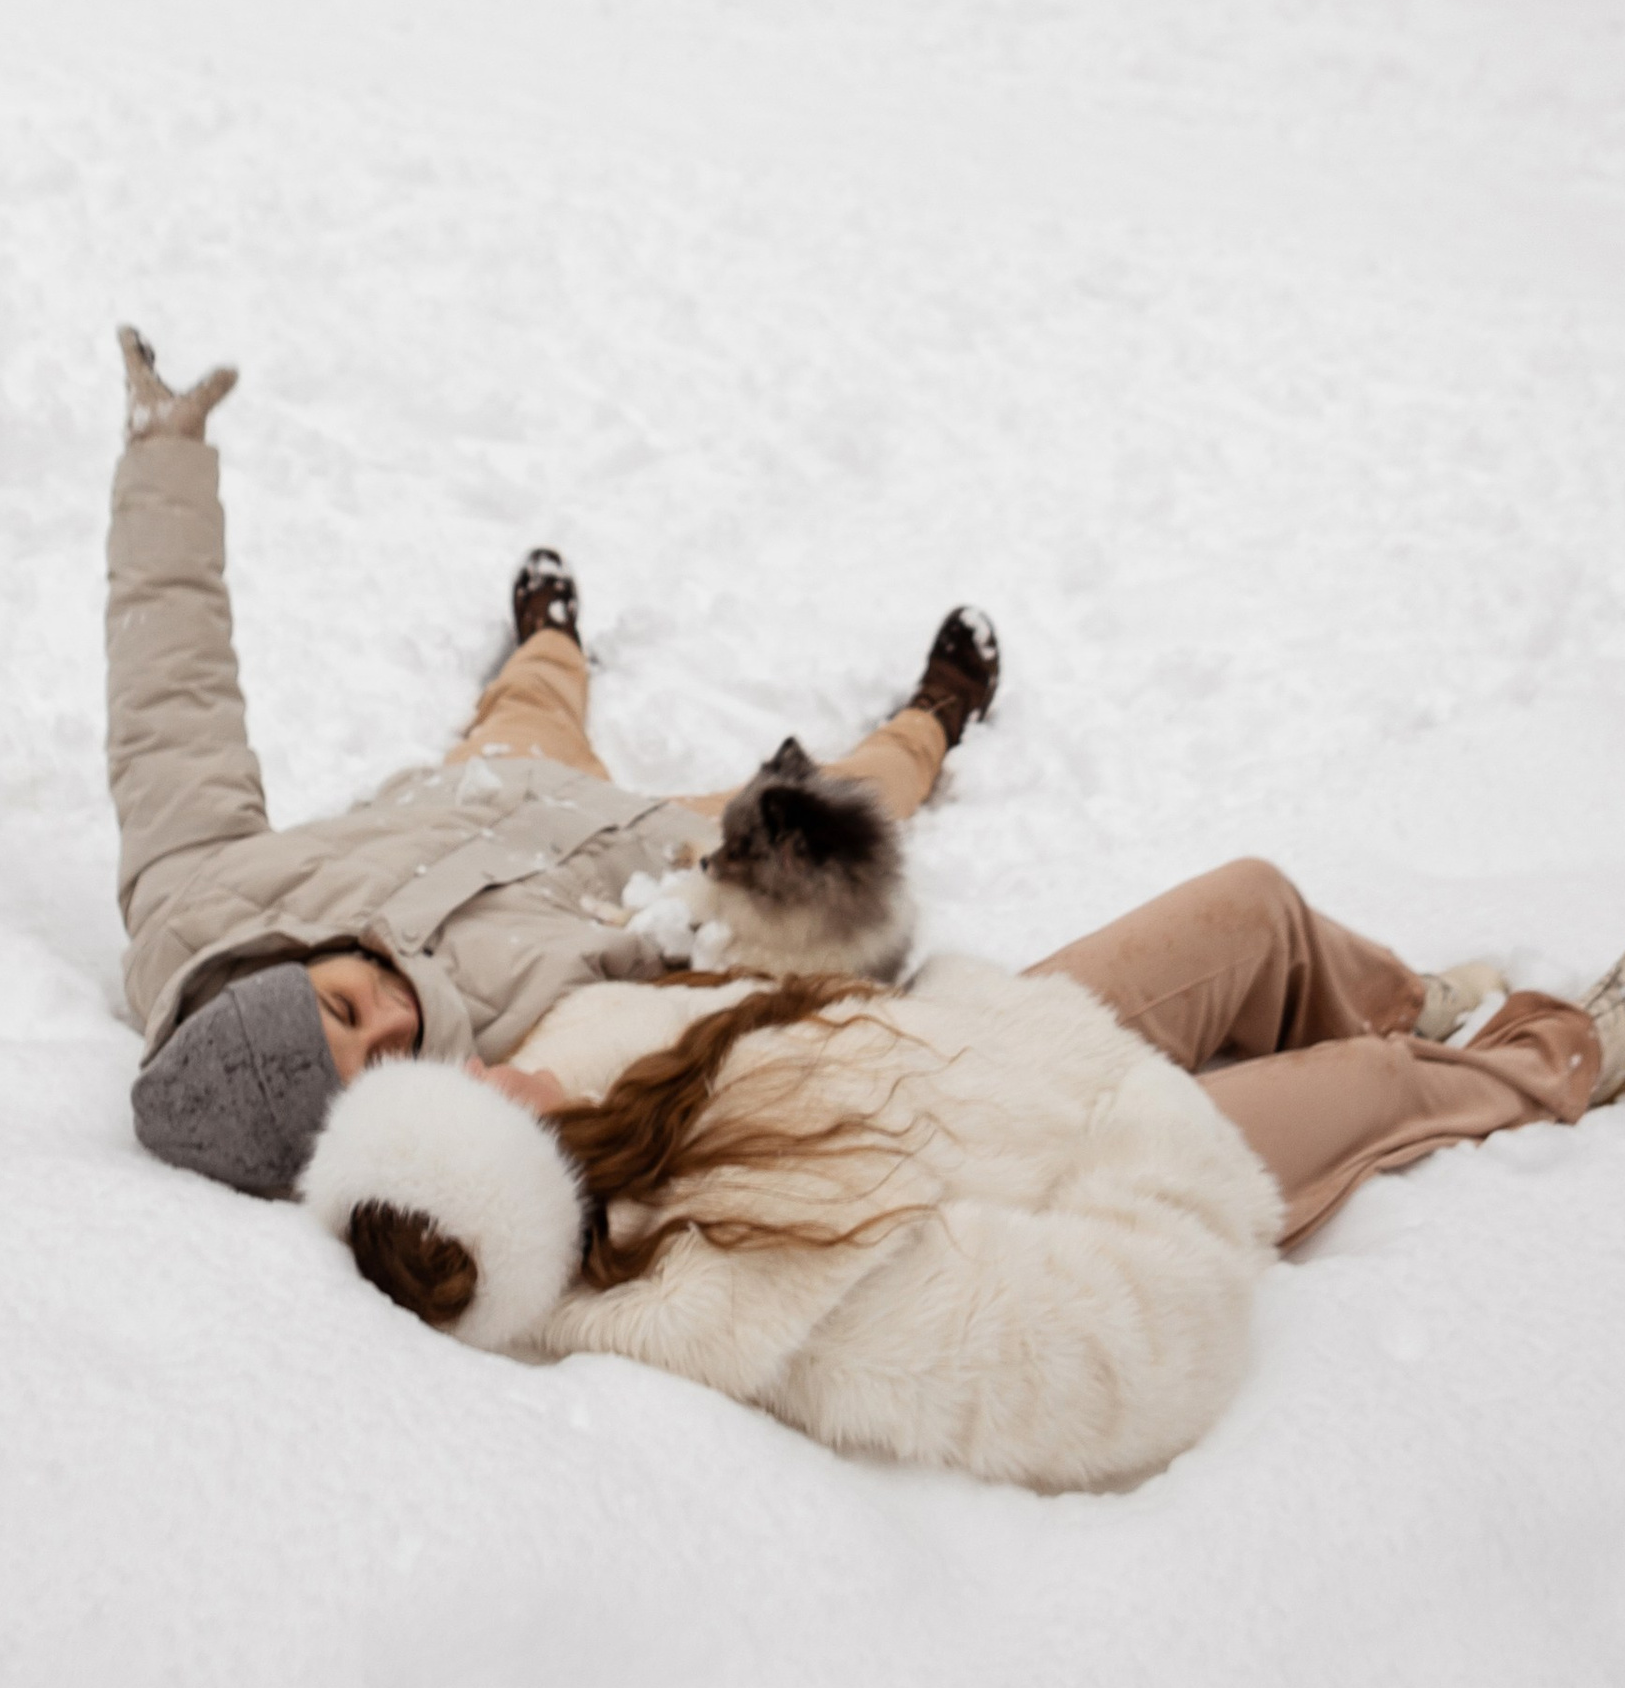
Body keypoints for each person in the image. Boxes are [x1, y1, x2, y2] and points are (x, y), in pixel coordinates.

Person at [298, 887, 1625, 1495]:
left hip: (1006, 1041)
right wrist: (1160, 1137)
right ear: (522, 1192)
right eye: (466, 1104)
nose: (476, 1068)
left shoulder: (568, 1059)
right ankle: (1559, 1056)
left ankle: (1402, 990)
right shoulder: (733, 1284)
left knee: (1254, 906)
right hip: (1116, 1149)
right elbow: (1124, 1355)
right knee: (1377, 1093)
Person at [107, 332, 998, 1199]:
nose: (395, 1017)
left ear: (272, 978)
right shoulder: (496, 1070)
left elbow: (171, 696)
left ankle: (551, 641)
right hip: (654, 853)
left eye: (344, 1007)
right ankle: (935, 718)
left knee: (529, 699)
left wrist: (163, 461)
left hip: (494, 780)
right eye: (379, 1061)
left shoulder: (197, 901)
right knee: (854, 809)